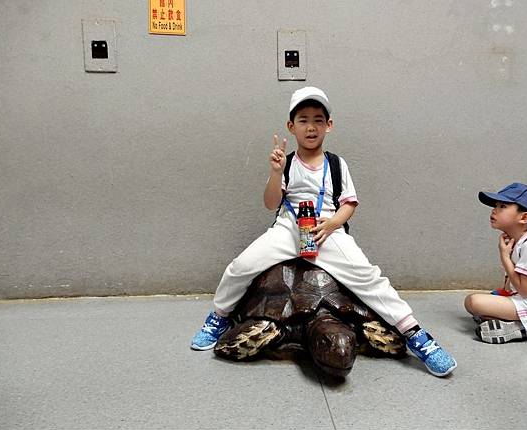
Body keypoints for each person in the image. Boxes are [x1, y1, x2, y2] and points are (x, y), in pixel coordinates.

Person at [190, 86, 457, 377]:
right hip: (289, 228)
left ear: (329, 125)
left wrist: (332, 225)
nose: (311, 126)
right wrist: (276, 172)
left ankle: (415, 335)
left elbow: (349, 204)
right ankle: (218, 318)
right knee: (241, 266)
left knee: (369, 277)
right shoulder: (288, 163)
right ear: (291, 127)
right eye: (303, 120)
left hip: (328, 231)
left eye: (318, 119)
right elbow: (271, 204)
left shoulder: (336, 164)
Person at [464, 182, 527, 344]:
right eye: (496, 205)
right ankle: (516, 324)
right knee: (483, 304)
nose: (494, 210)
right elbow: (513, 285)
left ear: (524, 217)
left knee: (473, 302)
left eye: (502, 206)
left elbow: (525, 291)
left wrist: (505, 257)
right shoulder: (520, 242)